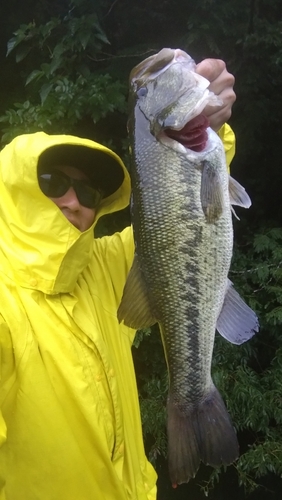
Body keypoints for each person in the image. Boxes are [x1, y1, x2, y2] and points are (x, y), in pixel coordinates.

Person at [0, 58, 235, 500]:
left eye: (88, 192)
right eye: (53, 181)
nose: (73, 201)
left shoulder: (106, 265)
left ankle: (193, 396)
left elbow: (186, 218)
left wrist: (211, 129)